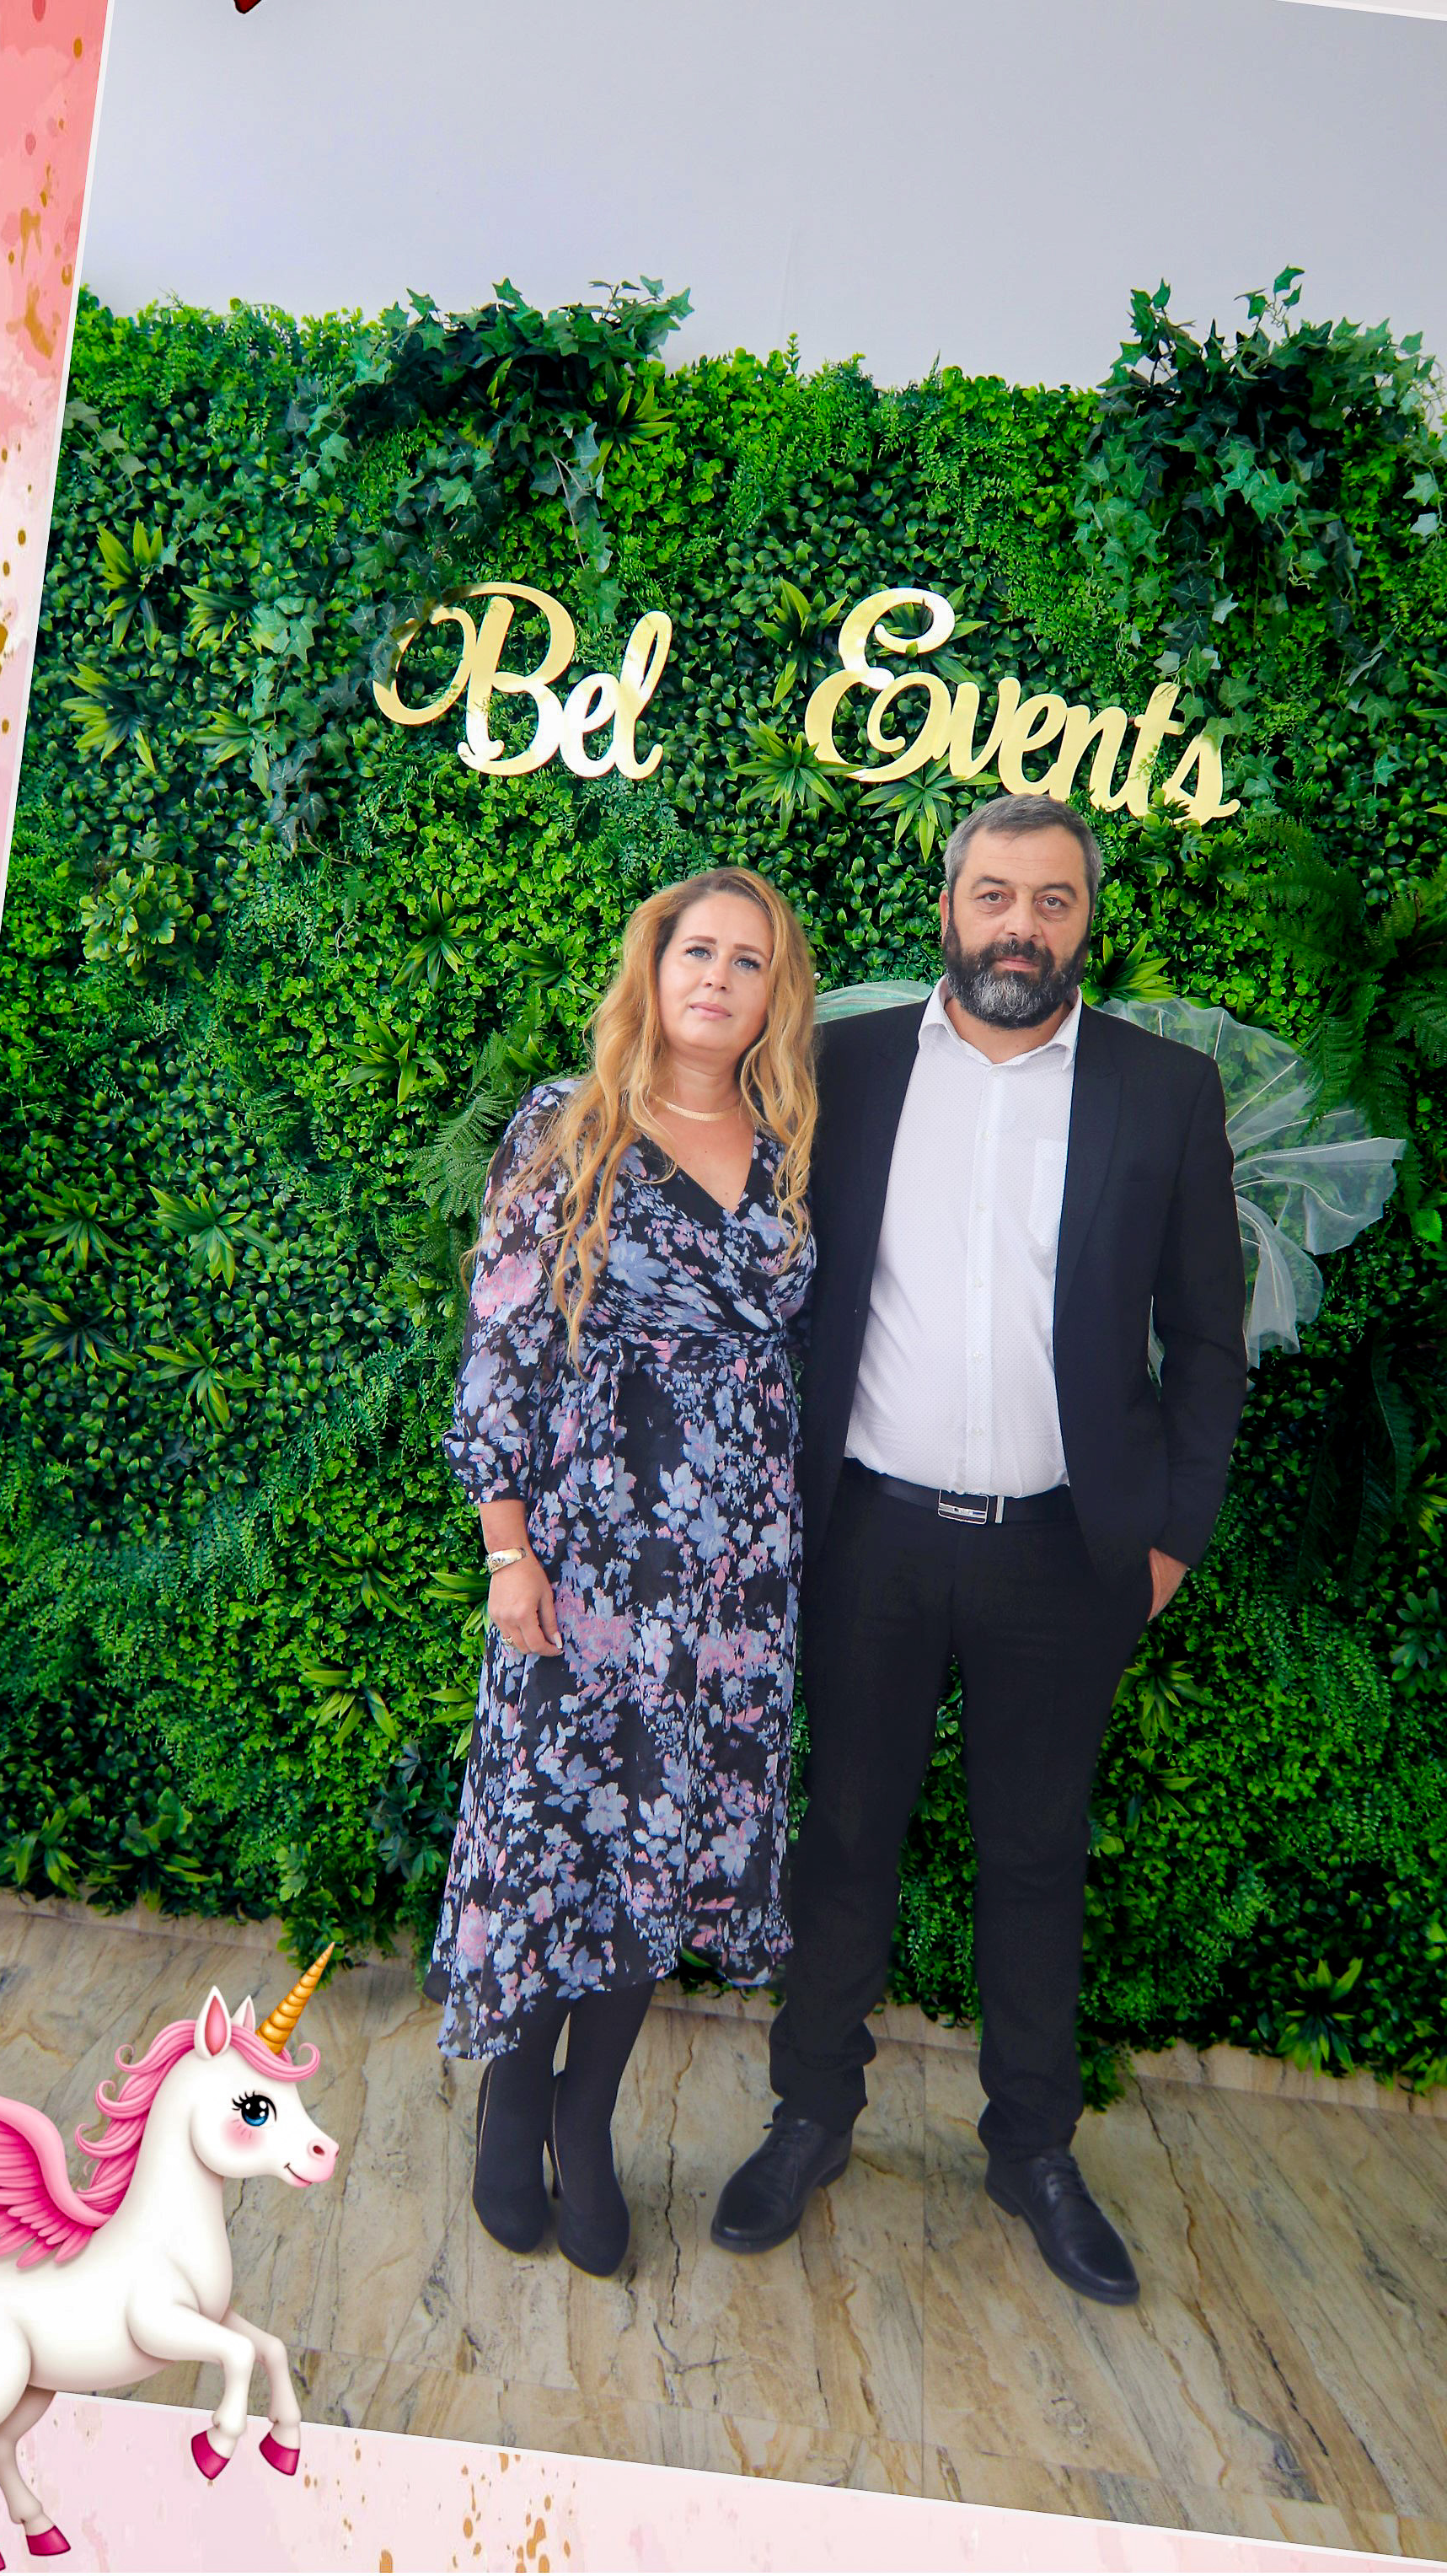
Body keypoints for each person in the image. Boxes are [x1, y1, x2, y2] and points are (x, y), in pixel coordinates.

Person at [710, 793, 1249, 2305]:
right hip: (867, 1537)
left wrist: (1171, 1538)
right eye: (995, 894)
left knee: (1033, 1856)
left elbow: (1211, 1339)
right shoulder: (842, 1066)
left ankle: (1033, 2150)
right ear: (949, 907)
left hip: (1063, 1555)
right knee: (844, 1839)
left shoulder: (1163, 1091)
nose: (1021, 925)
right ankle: (810, 2116)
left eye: (1052, 901)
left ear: (1087, 922)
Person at [428, 867, 817, 2278]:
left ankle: (584, 2121)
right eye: (696, 950)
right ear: (652, 970)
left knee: (666, 1833)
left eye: (749, 961)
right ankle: (510, 2104)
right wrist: (507, 1547)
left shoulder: (793, 1148)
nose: (718, 977)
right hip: (585, 1549)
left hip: (734, 1571)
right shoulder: (571, 1121)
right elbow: (505, 1340)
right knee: (559, 1828)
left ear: (776, 998)